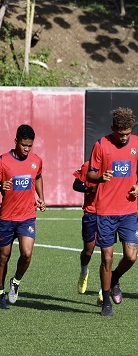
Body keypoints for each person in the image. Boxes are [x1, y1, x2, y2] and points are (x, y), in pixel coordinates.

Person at [87, 107, 138, 317]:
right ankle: (106, 300)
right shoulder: (101, 145)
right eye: (120, 134)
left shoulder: (136, 144)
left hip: (129, 210)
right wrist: (100, 178)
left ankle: (115, 277)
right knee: (106, 258)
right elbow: (89, 174)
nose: (124, 137)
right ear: (113, 129)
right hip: (106, 212)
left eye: (127, 133)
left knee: (131, 256)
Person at [0, 124, 46, 310]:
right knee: (3, 257)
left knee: (27, 254)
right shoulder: (2, 161)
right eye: (23, 145)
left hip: (27, 216)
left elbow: (37, 176)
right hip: (7, 217)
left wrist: (41, 198)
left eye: (29, 146)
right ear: (16, 142)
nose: (26, 149)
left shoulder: (36, 160)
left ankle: (16, 281)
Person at [72, 161, 98, 298]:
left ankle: (103, 291)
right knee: (88, 250)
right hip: (91, 213)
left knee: (107, 253)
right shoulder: (89, 166)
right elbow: (76, 185)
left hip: (111, 214)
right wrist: (90, 190)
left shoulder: (117, 165)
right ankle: (84, 272)